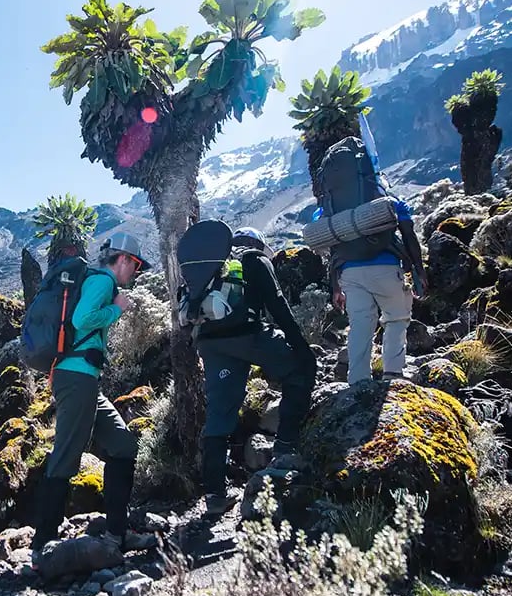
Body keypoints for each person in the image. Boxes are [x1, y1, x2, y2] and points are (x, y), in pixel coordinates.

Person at [31, 232, 158, 554]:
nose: (136, 273)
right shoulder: (103, 282)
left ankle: (117, 533)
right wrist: (116, 310)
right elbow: (82, 318)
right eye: (136, 265)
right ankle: (42, 545)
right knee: (65, 457)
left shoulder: (99, 281)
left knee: (123, 445)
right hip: (76, 377)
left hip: (84, 378)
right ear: (124, 259)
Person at [185, 227, 317, 519]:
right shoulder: (256, 260)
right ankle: (285, 447)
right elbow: (277, 304)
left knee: (220, 412)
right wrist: (302, 348)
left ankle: (215, 495)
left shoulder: (212, 267)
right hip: (248, 336)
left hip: (211, 344)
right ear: (259, 244)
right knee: (298, 372)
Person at [330, 196, 426, 384]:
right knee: (396, 318)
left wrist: (335, 287)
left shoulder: (334, 206)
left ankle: (358, 380)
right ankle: (393, 373)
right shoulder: (391, 202)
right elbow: (408, 234)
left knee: (359, 325)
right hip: (386, 268)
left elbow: (333, 247)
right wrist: (419, 269)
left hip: (349, 273)